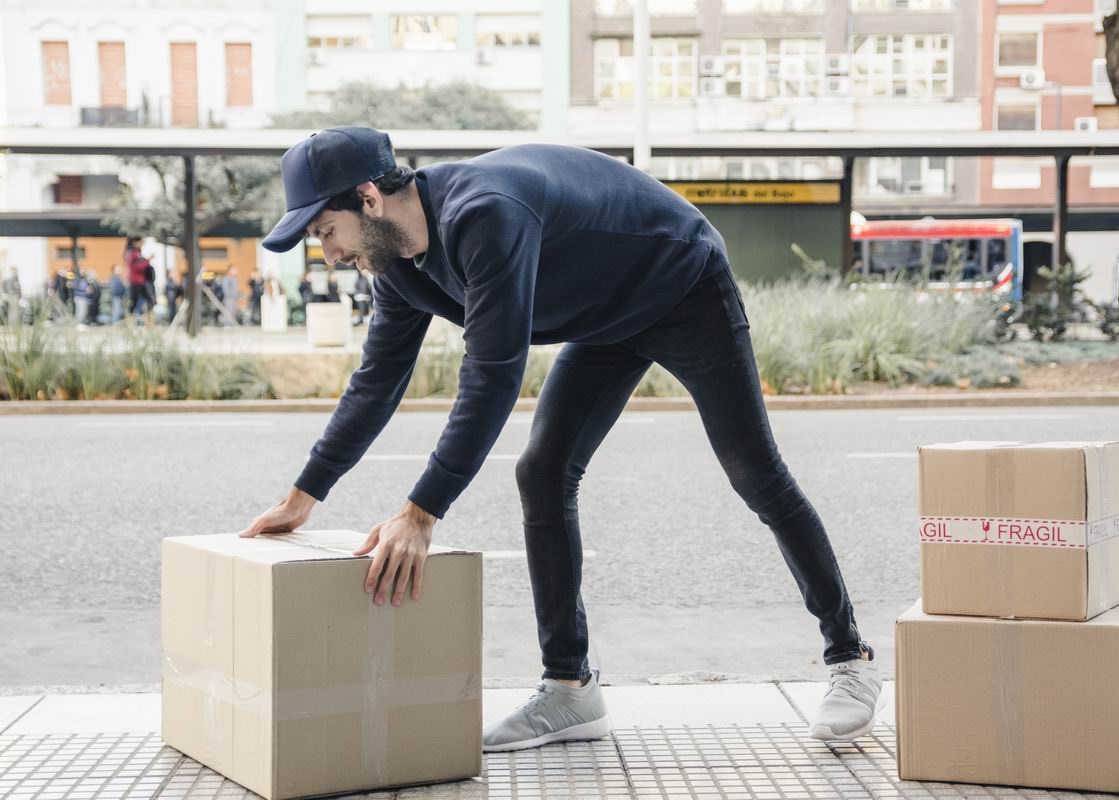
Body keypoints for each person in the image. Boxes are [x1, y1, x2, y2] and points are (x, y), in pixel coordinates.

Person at [236, 127, 880, 751]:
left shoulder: (485, 215)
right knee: (542, 473)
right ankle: (569, 688)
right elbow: (377, 382)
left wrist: (420, 512)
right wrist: (304, 495)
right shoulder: (399, 263)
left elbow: (491, 377)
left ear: (369, 199)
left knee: (754, 471)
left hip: (681, 283)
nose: (329, 254)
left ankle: (850, 656)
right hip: (603, 319)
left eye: (326, 232)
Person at [124, 236, 153, 324]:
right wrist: (147, 261)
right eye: (141, 242)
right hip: (135, 281)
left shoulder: (137, 252)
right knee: (134, 302)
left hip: (141, 281)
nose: (142, 244)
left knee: (148, 301)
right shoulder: (132, 253)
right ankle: (130, 321)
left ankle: (147, 320)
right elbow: (136, 267)